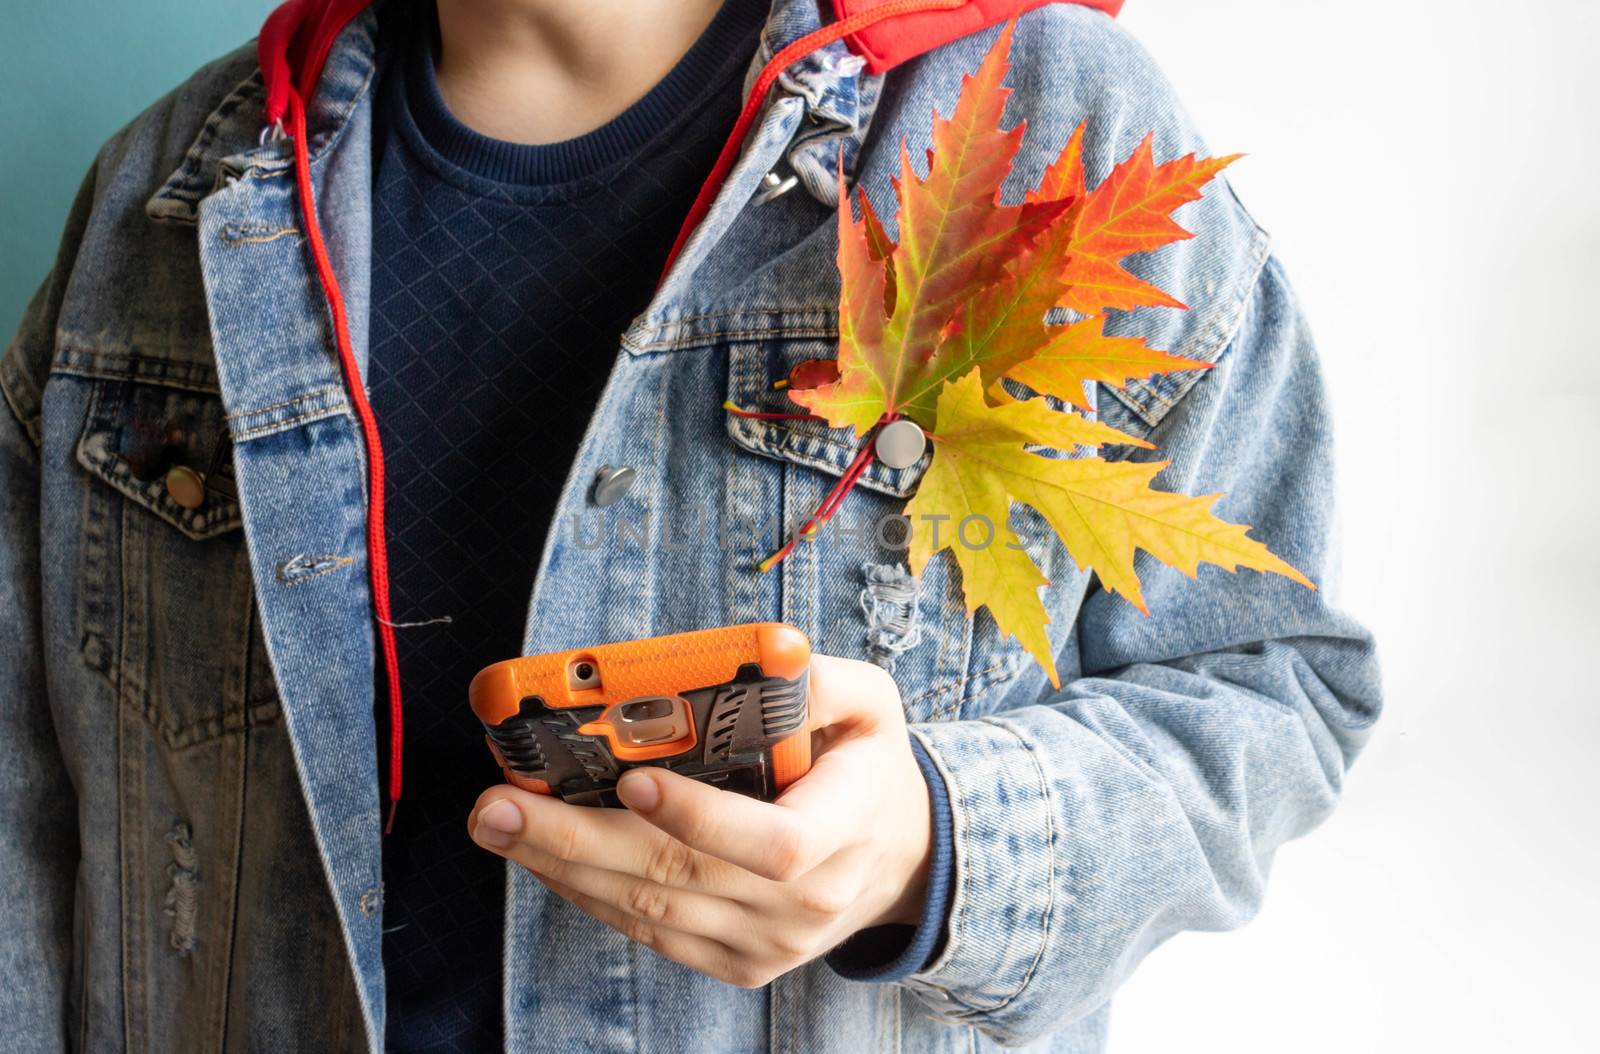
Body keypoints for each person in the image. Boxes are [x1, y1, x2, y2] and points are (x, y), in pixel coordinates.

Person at [0, 0, 1382, 1050]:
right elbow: (25, 807)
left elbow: (1278, 687)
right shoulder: (160, 206)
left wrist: (936, 838)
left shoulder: (1047, 120)